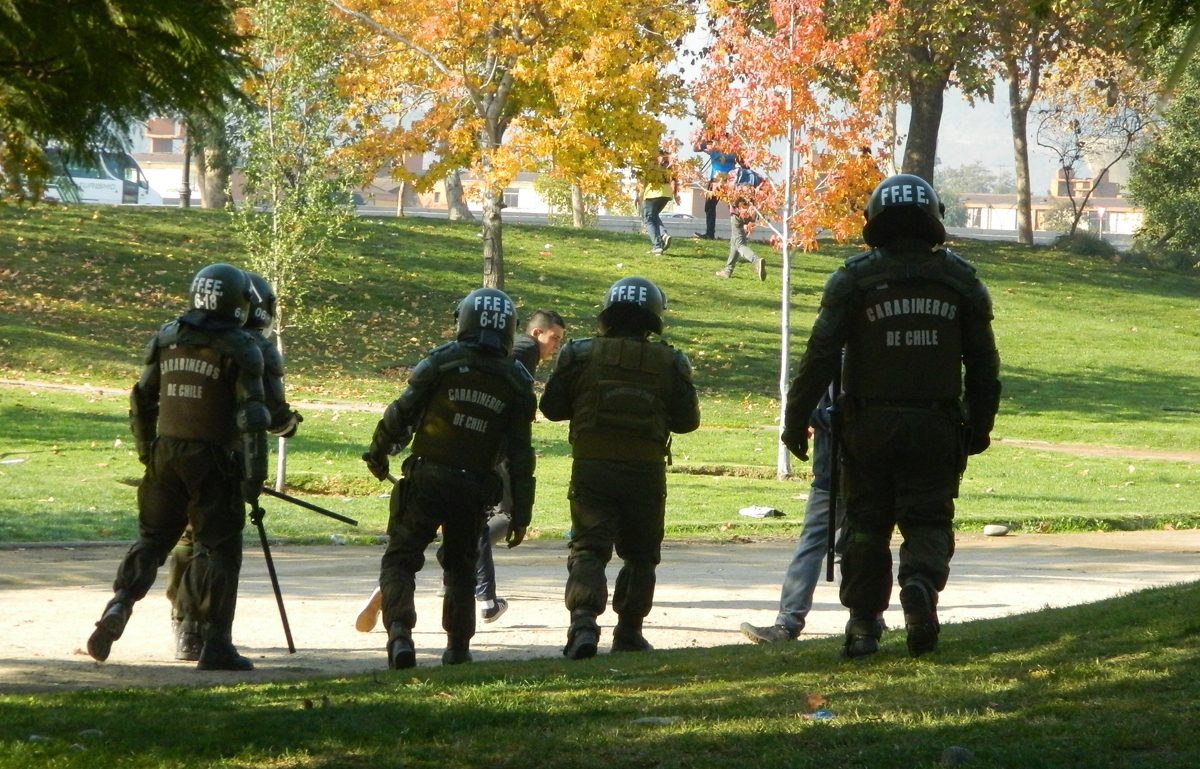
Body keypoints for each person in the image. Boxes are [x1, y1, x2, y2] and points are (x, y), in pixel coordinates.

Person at [780, 174, 1001, 659]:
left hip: (867, 427)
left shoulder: (853, 278)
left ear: (875, 220)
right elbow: (984, 362)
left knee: (864, 526)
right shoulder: (960, 280)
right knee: (927, 519)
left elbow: (819, 356)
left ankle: (862, 627)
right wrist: (980, 425)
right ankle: (920, 589)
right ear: (934, 218)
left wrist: (796, 420)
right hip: (937, 426)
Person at [86, 263, 269, 671]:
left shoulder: (167, 337)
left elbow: (141, 400)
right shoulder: (241, 347)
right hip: (214, 461)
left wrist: (146, 451)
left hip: (165, 454)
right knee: (222, 551)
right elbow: (253, 417)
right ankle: (217, 644)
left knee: (152, 540)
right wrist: (254, 478)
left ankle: (120, 603)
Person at [354, 309, 566, 632]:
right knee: (470, 554)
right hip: (480, 470)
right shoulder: (518, 365)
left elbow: (401, 413)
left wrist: (379, 452)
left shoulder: (443, 361)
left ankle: (399, 633)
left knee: (403, 557)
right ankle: (464, 634)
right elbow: (519, 447)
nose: (556, 347)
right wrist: (523, 511)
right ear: (525, 332)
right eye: (555, 339)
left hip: (432, 471)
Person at [540, 277, 701, 659]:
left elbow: (551, 408)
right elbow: (687, 420)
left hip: (592, 467)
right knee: (641, 555)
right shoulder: (670, 360)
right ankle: (629, 632)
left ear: (607, 314)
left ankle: (582, 623)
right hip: (645, 472)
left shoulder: (578, 354)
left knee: (588, 549)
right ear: (654, 317)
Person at [165, 271, 301, 661]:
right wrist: (288, 425)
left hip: (178, 453)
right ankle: (207, 633)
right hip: (225, 464)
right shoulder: (255, 348)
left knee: (188, 540)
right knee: (218, 546)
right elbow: (271, 414)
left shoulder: (186, 338)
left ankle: (183, 626)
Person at [739, 391, 836, 643]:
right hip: (873, 472)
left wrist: (810, 418)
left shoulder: (840, 364)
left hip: (835, 472)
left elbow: (841, 415)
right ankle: (869, 619)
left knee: (811, 546)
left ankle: (787, 624)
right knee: (858, 543)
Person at [715, 163, 767, 281]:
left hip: (737, 212)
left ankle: (756, 261)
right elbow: (765, 194)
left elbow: (726, 192)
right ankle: (727, 271)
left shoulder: (733, 173)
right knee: (736, 241)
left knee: (739, 244)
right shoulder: (757, 176)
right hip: (751, 212)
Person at [693, 134, 738, 240]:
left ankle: (710, 233)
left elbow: (696, 148)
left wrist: (703, 136)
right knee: (731, 207)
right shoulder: (733, 151)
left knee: (710, 207)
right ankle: (736, 234)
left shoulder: (714, 149)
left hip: (717, 180)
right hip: (730, 179)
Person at [640, 147, 680, 255]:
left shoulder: (651, 162)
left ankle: (657, 246)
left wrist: (640, 194)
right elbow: (675, 179)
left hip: (653, 193)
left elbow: (644, 179)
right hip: (666, 193)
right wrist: (676, 195)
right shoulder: (669, 163)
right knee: (654, 216)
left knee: (648, 219)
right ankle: (664, 235)